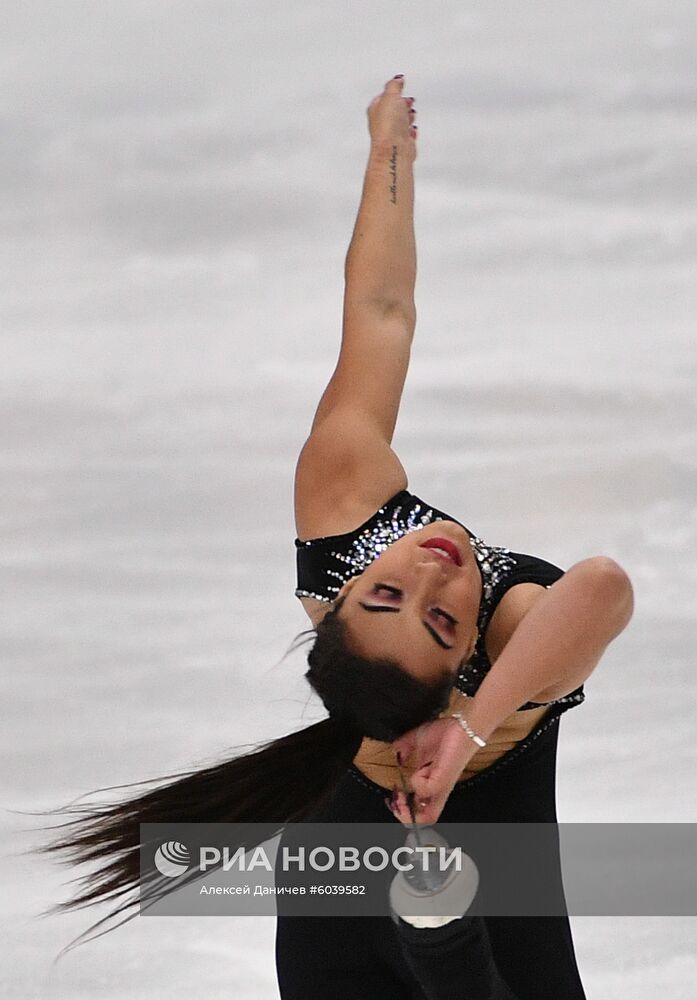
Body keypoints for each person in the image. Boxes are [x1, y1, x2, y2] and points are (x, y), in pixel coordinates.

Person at [37, 75, 634, 998]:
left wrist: (387, 159)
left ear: (335, 601)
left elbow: (379, 311)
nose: (432, 575)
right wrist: (471, 732)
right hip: (352, 895)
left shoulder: (346, 507)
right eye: (438, 622)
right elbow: (600, 587)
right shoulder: (514, 638)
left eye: (387, 595)